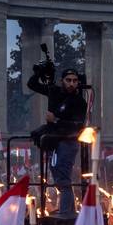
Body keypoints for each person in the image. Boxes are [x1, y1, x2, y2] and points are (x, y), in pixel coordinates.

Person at [28, 67, 87, 216]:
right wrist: (39, 73)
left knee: (62, 179)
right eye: (68, 80)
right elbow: (32, 85)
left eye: (74, 81)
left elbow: (78, 125)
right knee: (58, 177)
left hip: (68, 142)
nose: (72, 83)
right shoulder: (55, 92)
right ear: (62, 81)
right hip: (53, 140)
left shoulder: (79, 101)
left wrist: (55, 119)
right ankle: (67, 210)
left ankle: (66, 214)